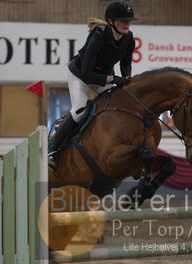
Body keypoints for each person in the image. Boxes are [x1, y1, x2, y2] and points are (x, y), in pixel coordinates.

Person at [48, 0, 137, 170]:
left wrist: (126, 79)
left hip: (103, 74)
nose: (127, 24)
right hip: (80, 73)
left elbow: (126, 64)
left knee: (116, 104)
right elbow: (86, 73)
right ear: (111, 21)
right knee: (79, 110)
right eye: (123, 20)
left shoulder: (129, 38)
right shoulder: (98, 36)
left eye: (129, 20)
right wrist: (111, 79)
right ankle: (52, 149)